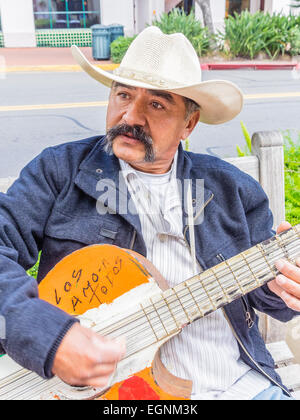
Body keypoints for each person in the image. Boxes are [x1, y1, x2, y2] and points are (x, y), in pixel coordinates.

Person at [0, 26, 299, 400]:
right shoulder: (59, 172)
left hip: (239, 384)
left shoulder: (233, 189)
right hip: (116, 394)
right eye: (123, 95)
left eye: (156, 104)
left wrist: (281, 287)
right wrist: (48, 335)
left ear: (189, 124)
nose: (132, 116)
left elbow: (268, 300)